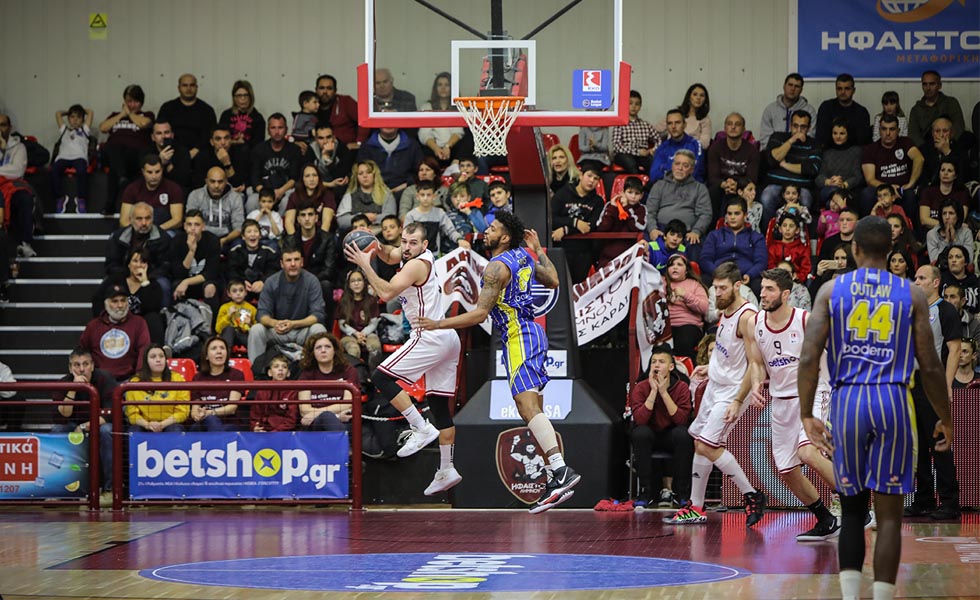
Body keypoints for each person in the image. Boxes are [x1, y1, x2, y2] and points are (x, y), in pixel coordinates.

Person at [800, 217, 952, 600]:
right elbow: (931, 365)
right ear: (891, 251)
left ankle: (851, 598)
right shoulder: (911, 294)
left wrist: (807, 414)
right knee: (888, 517)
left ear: (853, 249)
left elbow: (807, 358)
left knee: (852, 510)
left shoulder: (832, 290)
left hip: (848, 401)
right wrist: (945, 418)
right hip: (892, 400)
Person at [417, 212, 581, 513]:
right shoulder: (523, 255)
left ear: (504, 237)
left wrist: (438, 324)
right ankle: (553, 478)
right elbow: (554, 280)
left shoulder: (496, 267)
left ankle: (560, 470)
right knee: (534, 408)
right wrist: (540, 250)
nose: (486, 231)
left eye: (492, 229)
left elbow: (479, 314)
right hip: (532, 333)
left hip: (519, 336)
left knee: (526, 407)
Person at [344, 221, 464, 495]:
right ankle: (447, 469)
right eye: (404, 241)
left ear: (425, 245)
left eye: (412, 243)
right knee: (438, 404)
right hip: (447, 338)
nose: (406, 247)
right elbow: (390, 253)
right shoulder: (412, 254)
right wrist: (374, 246)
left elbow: (386, 293)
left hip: (428, 336)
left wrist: (365, 264)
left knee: (380, 377)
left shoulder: (416, 265)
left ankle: (419, 427)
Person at [739, 268, 840, 541]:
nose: (763, 293)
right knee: (786, 470)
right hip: (781, 399)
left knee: (807, 452)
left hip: (813, 391)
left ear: (785, 294)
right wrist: (758, 382)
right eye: (762, 288)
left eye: (770, 289)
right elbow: (757, 362)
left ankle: (855, 504)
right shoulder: (754, 323)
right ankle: (825, 519)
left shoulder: (806, 320)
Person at [664, 261, 767, 526]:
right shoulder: (724, 312)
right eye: (714, 289)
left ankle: (752, 494)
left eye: (722, 288)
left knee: (708, 445)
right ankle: (696, 507)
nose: (717, 293)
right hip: (715, 386)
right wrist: (709, 368)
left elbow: (755, 364)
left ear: (737, 285)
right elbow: (728, 354)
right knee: (699, 442)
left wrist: (737, 400)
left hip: (733, 391)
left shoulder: (747, 317)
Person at [628, 345, 693, 509]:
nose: (656, 365)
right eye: (653, 362)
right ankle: (645, 492)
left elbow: (681, 419)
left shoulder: (682, 387)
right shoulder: (641, 387)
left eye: (661, 362)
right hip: (650, 435)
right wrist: (653, 392)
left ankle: (681, 493)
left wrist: (664, 393)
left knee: (683, 434)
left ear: (671, 367)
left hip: (671, 434)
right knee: (640, 433)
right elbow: (640, 420)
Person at [50, 348, 118, 502]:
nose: (81, 369)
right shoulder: (64, 382)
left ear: (92, 366)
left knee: (107, 430)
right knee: (57, 430)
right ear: (70, 368)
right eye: (76, 365)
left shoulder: (105, 379)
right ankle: (56, 489)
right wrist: (73, 388)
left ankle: (109, 490)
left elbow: (110, 414)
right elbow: (63, 415)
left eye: (85, 364)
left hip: (96, 425)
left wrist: (83, 427)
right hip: (71, 423)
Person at [247, 239, 327, 364]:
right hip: (278, 330)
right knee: (256, 330)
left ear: (302, 262)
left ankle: (315, 373)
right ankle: (256, 374)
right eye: (288, 260)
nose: (293, 264)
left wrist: (293, 324)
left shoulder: (312, 281)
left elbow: (318, 315)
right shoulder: (271, 282)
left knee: (319, 329)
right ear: (281, 264)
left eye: (296, 259)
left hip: (302, 329)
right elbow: (262, 314)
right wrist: (275, 323)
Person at [99, 84, 154, 214]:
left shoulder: (147, 114)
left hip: (135, 155)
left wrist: (129, 114)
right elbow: (103, 127)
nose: (132, 104)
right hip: (114, 153)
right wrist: (121, 115)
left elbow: (144, 124)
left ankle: (110, 205)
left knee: (115, 168)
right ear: (124, 101)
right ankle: (122, 176)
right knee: (112, 147)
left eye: (135, 101)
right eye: (129, 101)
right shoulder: (115, 115)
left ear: (141, 103)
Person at [760, 110, 821, 227]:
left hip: (802, 187)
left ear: (808, 128)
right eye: (795, 126)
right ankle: (769, 235)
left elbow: (811, 169)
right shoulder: (777, 137)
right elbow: (772, 159)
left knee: (806, 199)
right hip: (776, 183)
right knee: (766, 197)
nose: (798, 130)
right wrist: (791, 141)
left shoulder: (814, 144)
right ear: (790, 125)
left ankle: (800, 237)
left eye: (803, 127)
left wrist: (784, 165)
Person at [79, 283, 151, 381]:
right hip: (100, 382)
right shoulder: (93, 326)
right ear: (106, 304)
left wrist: (139, 377)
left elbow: (144, 350)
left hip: (129, 380)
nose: (120, 305)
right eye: (115, 301)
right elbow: (82, 352)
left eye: (123, 300)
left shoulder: (139, 323)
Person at [92, 248, 166, 344]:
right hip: (116, 320)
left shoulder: (153, 285)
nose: (139, 265)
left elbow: (151, 308)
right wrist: (105, 319)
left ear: (147, 265)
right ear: (128, 264)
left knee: (154, 318)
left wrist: (144, 282)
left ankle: (155, 351)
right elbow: (97, 299)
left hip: (140, 326)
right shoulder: (116, 279)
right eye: (135, 261)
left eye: (143, 261)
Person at [646, 150, 712, 252]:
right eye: (677, 164)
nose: (680, 168)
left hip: (687, 233)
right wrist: (652, 229)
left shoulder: (700, 188)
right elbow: (650, 211)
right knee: (647, 246)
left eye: (685, 165)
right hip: (661, 230)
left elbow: (705, 214)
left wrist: (696, 231)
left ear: (692, 170)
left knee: (695, 245)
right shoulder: (659, 185)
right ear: (672, 165)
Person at [859, 114, 923, 218]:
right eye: (884, 129)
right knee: (867, 194)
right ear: (879, 130)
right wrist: (888, 188)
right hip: (880, 188)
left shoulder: (905, 142)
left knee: (910, 195)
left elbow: (919, 159)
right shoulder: (870, 149)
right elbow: (870, 180)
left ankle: (908, 230)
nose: (888, 133)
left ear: (898, 130)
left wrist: (911, 183)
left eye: (892, 129)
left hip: (903, 188)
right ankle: (868, 228)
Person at [699, 197, 767, 292]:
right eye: (729, 214)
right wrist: (716, 272)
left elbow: (761, 262)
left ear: (745, 215)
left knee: (759, 284)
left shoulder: (756, 237)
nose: (732, 217)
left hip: (744, 276)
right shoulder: (714, 235)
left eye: (737, 213)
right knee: (702, 280)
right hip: (718, 274)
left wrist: (750, 275)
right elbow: (705, 259)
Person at [551, 163, 604, 283]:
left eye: (596, 179)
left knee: (577, 287)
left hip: (583, 251)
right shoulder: (563, 193)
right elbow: (552, 219)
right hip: (561, 248)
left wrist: (566, 229)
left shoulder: (598, 201)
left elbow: (589, 227)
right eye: (589, 176)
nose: (592, 181)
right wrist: (574, 222)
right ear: (581, 175)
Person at [297, 332, 358, 431]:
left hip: (342, 420)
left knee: (329, 418)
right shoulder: (306, 374)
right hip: (315, 423)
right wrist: (334, 414)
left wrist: (317, 413)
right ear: (313, 352)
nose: (323, 350)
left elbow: (348, 403)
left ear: (335, 350)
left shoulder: (348, 371)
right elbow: (304, 410)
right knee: (326, 417)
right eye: (318, 348)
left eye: (328, 347)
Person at [124, 344, 190, 432]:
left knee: (175, 429)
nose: (158, 360)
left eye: (161, 356)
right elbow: (132, 414)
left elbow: (182, 412)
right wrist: (147, 425)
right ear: (145, 361)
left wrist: (162, 424)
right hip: (144, 425)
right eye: (153, 357)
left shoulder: (178, 379)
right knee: (134, 430)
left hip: (170, 424)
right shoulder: (135, 382)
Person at [706, 112, 760, 220]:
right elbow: (712, 177)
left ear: (744, 129)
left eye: (737, 124)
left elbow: (752, 178)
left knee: (751, 192)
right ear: (725, 128)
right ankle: (715, 229)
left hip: (741, 187)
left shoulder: (752, 151)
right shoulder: (715, 148)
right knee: (712, 192)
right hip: (721, 187)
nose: (733, 127)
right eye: (729, 124)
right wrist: (725, 184)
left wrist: (736, 184)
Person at [0, 113, 39, 258]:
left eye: (3, 125)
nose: (0, 129)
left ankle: (25, 243)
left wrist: (5, 150)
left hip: (13, 186)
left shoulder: (19, 146)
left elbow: (17, 171)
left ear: (9, 127)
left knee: (24, 198)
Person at [248, 114, 303, 213]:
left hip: (285, 191)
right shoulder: (258, 150)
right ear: (268, 130)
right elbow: (255, 178)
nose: (277, 132)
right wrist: (267, 195)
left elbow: (294, 178)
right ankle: (252, 227)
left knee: (288, 201)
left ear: (286, 129)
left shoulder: (294, 150)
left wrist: (281, 191)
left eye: (280, 128)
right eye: (273, 128)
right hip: (263, 191)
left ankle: (282, 228)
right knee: (252, 201)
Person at [188, 337, 244, 432]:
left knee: (211, 420)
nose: (219, 351)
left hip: (229, 424)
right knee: (195, 428)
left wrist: (210, 413)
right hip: (204, 422)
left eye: (222, 348)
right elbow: (195, 408)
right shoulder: (198, 378)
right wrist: (197, 415)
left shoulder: (236, 375)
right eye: (214, 348)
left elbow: (232, 408)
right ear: (206, 356)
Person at [119, 155, 185, 234]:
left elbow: (177, 220)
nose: (154, 176)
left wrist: (154, 231)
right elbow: (123, 221)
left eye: (157, 172)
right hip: (138, 230)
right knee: (115, 237)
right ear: (143, 172)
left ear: (162, 170)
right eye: (149, 172)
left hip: (165, 230)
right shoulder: (132, 189)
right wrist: (140, 230)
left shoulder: (173, 188)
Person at [156, 74, 217, 159]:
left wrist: (196, 150)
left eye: (192, 85)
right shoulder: (167, 108)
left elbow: (210, 135)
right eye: (185, 85)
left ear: (197, 87)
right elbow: (160, 131)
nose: (188, 88)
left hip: (200, 152)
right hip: (173, 151)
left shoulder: (207, 110)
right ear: (179, 88)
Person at [169, 210, 221, 309]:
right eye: (189, 224)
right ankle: (178, 320)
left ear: (203, 227)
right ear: (184, 226)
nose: (192, 228)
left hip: (204, 282)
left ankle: (211, 323)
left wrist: (186, 282)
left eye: (197, 225)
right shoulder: (177, 241)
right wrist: (191, 252)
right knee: (176, 285)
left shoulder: (213, 241)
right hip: (184, 282)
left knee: (210, 287)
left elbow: (210, 273)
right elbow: (178, 273)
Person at [185, 166, 245, 248]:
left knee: (240, 244)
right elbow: (190, 223)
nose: (216, 186)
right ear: (206, 181)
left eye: (220, 182)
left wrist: (224, 240)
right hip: (200, 237)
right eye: (212, 181)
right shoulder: (195, 195)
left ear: (226, 182)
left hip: (227, 238)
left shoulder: (235, 198)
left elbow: (239, 228)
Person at [404, 180, 469, 255]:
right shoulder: (411, 215)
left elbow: (450, 230)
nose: (425, 198)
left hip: (434, 256)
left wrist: (459, 239)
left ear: (434, 196)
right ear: (417, 196)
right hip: (415, 255)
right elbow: (406, 237)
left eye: (428, 195)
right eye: (422, 195)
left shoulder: (439, 213)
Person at [595, 175, 646, 268]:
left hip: (630, 256)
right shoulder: (611, 205)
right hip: (608, 256)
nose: (633, 196)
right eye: (630, 192)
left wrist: (627, 208)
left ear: (641, 195)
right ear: (623, 192)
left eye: (637, 193)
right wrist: (613, 208)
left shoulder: (642, 209)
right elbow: (602, 227)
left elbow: (637, 227)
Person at [357, 124, 424, 195]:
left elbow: (420, 172)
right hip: (374, 190)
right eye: (384, 120)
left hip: (405, 189)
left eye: (392, 120)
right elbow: (359, 172)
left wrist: (406, 185)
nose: (388, 124)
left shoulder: (412, 145)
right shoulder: (367, 147)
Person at [664, 254, 708, 360]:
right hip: (665, 326)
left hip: (688, 325)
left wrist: (686, 295)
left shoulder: (694, 285)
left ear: (686, 270)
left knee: (683, 343)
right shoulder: (661, 283)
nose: (675, 267)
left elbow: (704, 307)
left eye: (679, 264)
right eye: (671, 265)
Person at [51, 104, 94, 213]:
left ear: (82, 119)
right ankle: (60, 198)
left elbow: (90, 112)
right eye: (72, 117)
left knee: (81, 171)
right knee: (54, 169)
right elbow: (58, 113)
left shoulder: (84, 130)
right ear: (69, 118)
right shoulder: (64, 129)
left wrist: (82, 111)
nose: (75, 120)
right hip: (63, 157)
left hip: (79, 157)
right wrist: (68, 111)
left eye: (78, 117)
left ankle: (81, 199)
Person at [419, 72, 467, 168]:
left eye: (447, 85)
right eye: (440, 85)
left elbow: (458, 132)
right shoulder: (427, 107)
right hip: (434, 150)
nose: (443, 88)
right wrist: (436, 149)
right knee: (420, 147)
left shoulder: (458, 107)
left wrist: (447, 147)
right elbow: (424, 134)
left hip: (452, 149)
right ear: (435, 88)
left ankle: (455, 166)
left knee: (467, 139)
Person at [336, 269, 381, 368]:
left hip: (368, 333)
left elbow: (374, 322)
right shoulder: (344, 301)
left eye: (359, 280)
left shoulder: (371, 300)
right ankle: (356, 377)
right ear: (348, 285)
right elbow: (342, 324)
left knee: (375, 347)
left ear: (364, 283)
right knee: (353, 349)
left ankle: (373, 376)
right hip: (349, 335)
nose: (356, 283)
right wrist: (356, 334)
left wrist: (363, 333)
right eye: (353, 281)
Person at [907, 70, 966, 147]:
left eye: (932, 84)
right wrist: (928, 150)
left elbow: (959, 127)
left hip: (949, 145)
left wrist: (946, 143)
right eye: (925, 84)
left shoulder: (950, 103)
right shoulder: (916, 109)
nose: (928, 88)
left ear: (940, 85)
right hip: (925, 150)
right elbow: (913, 135)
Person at [337, 160, 397, 233]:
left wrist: (375, 218)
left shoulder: (386, 194)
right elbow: (341, 221)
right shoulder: (349, 195)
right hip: (356, 234)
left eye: (368, 172)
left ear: (374, 174)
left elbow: (391, 217)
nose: (365, 176)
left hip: (380, 233)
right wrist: (363, 217)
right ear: (357, 177)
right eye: (360, 173)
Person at [759, 73, 817, 147]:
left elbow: (810, 136)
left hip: (799, 152)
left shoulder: (809, 111)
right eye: (790, 85)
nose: (792, 89)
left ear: (801, 90)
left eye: (797, 86)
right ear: (784, 86)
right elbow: (765, 138)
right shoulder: (770, 110)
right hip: (774, 152)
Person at [648, 109, 705, 184]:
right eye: (670, 123)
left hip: (691, 189)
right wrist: (679, 172)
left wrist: (666, 169)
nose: (673, 126)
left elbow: (693, 172)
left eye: (677, 123)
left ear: (684, 125)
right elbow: (654, 175)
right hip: (667, 188)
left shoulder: (695, 145)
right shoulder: (662, 147)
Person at [815, 73, 872, 147]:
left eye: (847, 88)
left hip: (854, 153)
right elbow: (822, 137)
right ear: (836, 89)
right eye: (839, 89)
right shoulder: (826, 107)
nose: (843, 92)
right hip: (828, 152)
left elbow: (862, 141)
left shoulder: (861, 112)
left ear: (853, 90)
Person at [815, 119, 863, 205]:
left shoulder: (856, 151)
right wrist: (829, 182)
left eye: (842, 133)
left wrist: (843, 185)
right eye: (835, 133)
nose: (838, 137)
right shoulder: (826, 152)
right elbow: (819, 177)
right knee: (831, 198)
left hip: (849, 190)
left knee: (834, 202)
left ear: (848, 134)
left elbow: (858, 176)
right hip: (829, 189)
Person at [612, 90, 660, 174]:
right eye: (630, 103)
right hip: (624, 154)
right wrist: (637, 152)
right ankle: (637, 185)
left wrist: (653, 149)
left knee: (654, 163)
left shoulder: (645, 125)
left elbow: (659, 140)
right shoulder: (619, 124)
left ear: (640, 106)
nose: (633, 106)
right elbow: (617, 146)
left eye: (637, 104)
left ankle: (649, 186)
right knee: (630, 163)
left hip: (643, 154)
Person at [314, 74, 367, 150]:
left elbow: (364, 120)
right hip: (318, 149)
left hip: (345, 149)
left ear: (335, 90)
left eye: (329, 88)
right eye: (321, 88)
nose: (325, 91)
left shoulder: (346, 102)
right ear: (316, 90)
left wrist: (359, 142)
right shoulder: (311, 105)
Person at [250, 354, 299, 432]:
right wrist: (255, 427)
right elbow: (255, 415)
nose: (280, 369)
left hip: (283, 433)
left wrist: (274, 433)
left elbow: (291, 420)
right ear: (270, 372)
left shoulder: (292, 392)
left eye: (284, 367)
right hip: (263, 432)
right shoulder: (261, 391)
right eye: (276, 366)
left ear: (288, 373)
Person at [218, 80, 265, 159]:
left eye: (246, 95)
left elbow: (258, 143)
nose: (243, 99)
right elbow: (219, 136)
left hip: (248, 155)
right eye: (239, 95)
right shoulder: (226, 115)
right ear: (234, 98)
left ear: (251, 97)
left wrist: (244, 143)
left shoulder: (257, 117)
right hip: (228, 151)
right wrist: (234, 142)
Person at [919, 159, 970, 231]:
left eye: (949, 171)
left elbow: (961, 218)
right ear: (939, 174)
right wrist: (945, 226)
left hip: (955, 232)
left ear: (955, 175)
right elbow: (924, 220)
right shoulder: (928, 191)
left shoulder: (962, 192)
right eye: (943, 170)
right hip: (931, 232)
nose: (945, 173)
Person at [284, 164, 336, 235]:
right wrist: (294, 242)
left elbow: (326, 221)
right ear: (302, 179)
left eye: (314, 175)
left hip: (322, 235)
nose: (312, 179)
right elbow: (289, 222)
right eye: (307, 176)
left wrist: (320, 243)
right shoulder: (294, 196)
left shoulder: (327, 195)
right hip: (299, 235)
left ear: (319, 178)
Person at [140, 120, 192, 190]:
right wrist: (160, 162)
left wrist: (167, 164)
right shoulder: (145, 152)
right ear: (153, 137)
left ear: (172, 135)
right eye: (159, 133)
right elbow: (144, 179)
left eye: (166, 132)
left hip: (176, 189)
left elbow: (184, 180)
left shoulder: (182, 151)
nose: (163, 136)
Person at [304, 124, 353, 192]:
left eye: (329, 137)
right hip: (317, 186)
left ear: (334, 137)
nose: (325, 141)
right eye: (321, 138)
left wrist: (328, 160)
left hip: (338, 188)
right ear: (316, 139)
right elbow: (306, 179)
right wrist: (329, 184)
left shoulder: (341, 148)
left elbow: (340, 177)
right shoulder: (311, 149)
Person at [926, 199, 973, 264]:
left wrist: (955, 240)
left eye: (951, 213)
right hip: (940, 272)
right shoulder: (932, 234)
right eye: (944, 213)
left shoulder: (966, 233)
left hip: (961, 272)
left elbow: (969, 261)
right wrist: (946, 241)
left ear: (958, 216)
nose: (947, 217)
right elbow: (934, 261)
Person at [216, 279, 257, 350]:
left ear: (246, 292)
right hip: (228, 336)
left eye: (241, 290)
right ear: (229, 294)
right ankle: (226, 357)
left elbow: (258, 331)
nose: (238, 293)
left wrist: (250, 324)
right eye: (234, 291)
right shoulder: (224, 307)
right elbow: (218, 329)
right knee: (229, 329)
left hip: (244, 335)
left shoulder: (252, 308)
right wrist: (228, 315)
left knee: (253, 338)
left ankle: (254, 359)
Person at [767, 214, 810, 281]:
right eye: (784, 225)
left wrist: (798, 276)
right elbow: (770, 266)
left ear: (797, 230)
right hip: (776, 280)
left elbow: (805, 268)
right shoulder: (773, 248)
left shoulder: (802, 249)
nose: (787, 229)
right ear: (780, 229)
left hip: (795, 281)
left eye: (791, 226)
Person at [941, 247, 979, 316]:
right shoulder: (941, 279)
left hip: (972, 322)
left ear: (965, 262)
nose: (953, 260)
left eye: (958, 257)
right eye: (950, 257)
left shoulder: (975, 282)